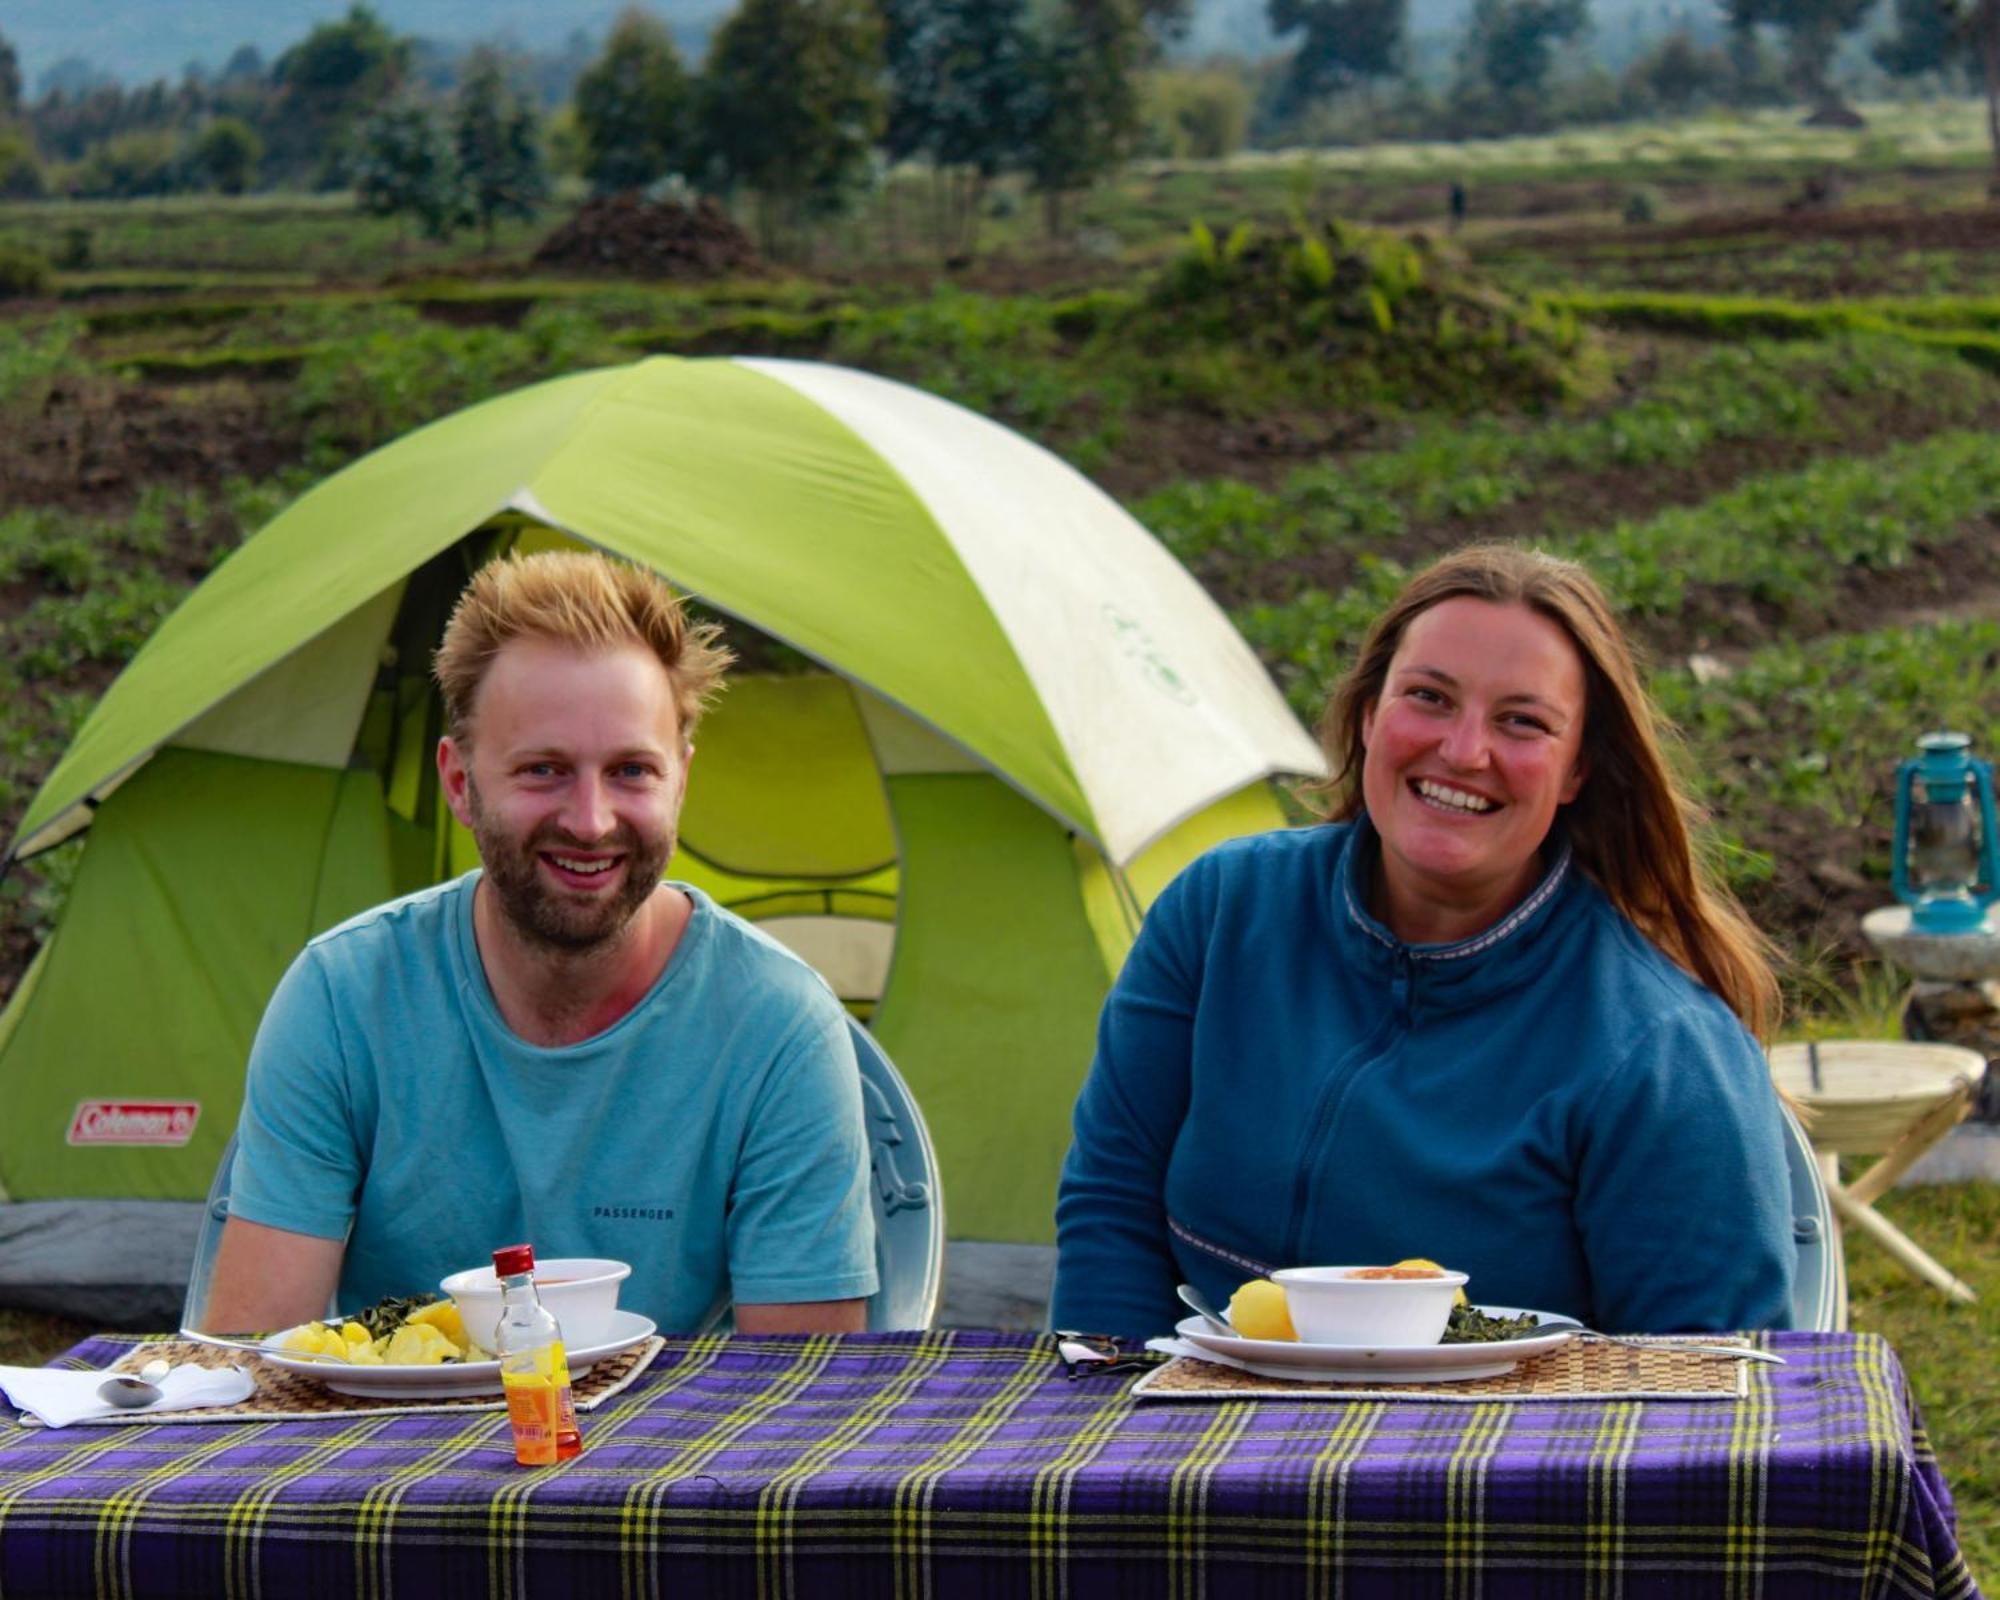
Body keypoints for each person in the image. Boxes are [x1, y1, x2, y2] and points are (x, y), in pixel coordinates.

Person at [1052, 544, 1794, 1338]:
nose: (1464, 751)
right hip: (1196, 1440)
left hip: (1511, 1457)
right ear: (1370, 715)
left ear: (1578, 769)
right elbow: (1112, 1206)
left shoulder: (1663, 1050)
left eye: (1522, 722)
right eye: (1429, 698)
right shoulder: (1220, 912)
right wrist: (1120, 1424)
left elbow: (1707, 1382)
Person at [201, 551, 878, 1336]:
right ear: (459, 783)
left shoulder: (778, 1028)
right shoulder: (343, 998)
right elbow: (250, 1362)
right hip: (391, 1452)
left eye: (631, 771)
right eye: (544, 771)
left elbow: (801, 1398)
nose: (591, 821)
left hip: (680, 1457)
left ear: (681, 782)